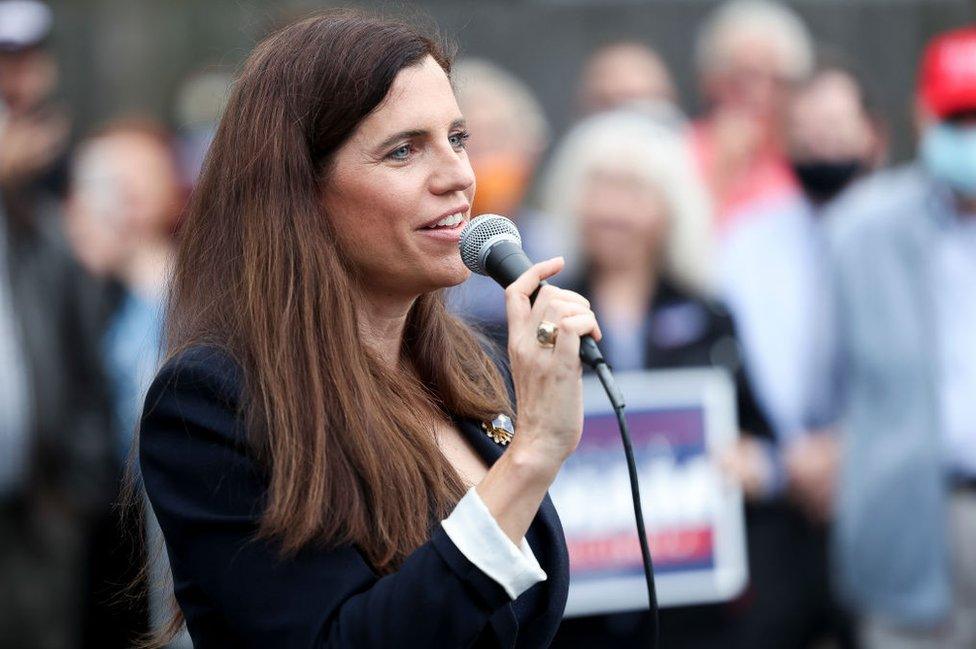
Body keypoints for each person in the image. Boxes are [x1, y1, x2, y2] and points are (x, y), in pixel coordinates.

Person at [134, 11, 606, 648]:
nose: (459, 176)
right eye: (404, 150)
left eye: (458, 138)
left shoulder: (473, 371)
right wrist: (530, 459)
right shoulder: (213, 403)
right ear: (300, 189)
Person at [827, 26, 976, 649]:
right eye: (958, 117)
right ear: (923, 114)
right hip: (907, 510)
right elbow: (824, 378)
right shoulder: (862, 226)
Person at [719, 61, 885, 519]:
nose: (818, 142)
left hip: (891, 478)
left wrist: (846, 448)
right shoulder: (745, 239)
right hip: (777, 483)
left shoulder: (908, 235)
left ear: (873, 133)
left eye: (833, 125)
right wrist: (792, 457)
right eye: (803, 128)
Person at [0, 2, 116, 647]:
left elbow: (84, 333)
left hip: (41, 495)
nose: (16, 81)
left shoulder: (58, 159)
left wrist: (77, 486)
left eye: (24, 60)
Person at [445, 58, 554, 344]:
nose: (485, 161)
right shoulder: (428, 253)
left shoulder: (561, 245)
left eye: (497, 142)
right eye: (469, 144)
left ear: (531, 149)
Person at [691, 0, 814, 232]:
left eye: (776, 81)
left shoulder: (807, 157)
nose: (758, 93)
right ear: (711, 82)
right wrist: (722, 173)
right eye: (742, 78)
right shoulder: (682, 151)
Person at [576, 41, 676, 117]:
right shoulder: (579, 140)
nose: (619, 115)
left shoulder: (687, 141)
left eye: (631, 99)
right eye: (604, 103)